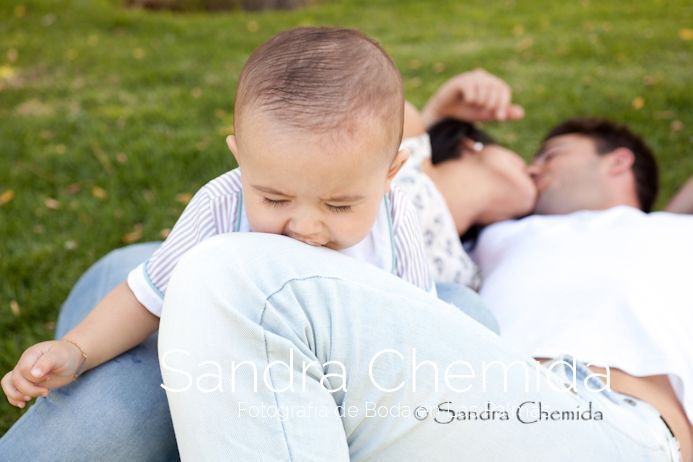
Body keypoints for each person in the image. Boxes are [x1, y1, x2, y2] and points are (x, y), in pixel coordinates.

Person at [471, 117, 692, 461]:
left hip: (621, 420)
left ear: (618, 161)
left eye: (550, 155)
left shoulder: (677, 233)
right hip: (476, 415)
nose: (532, 169)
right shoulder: (495, 236)